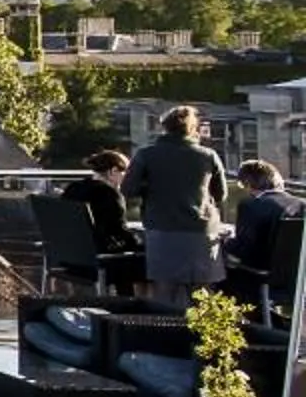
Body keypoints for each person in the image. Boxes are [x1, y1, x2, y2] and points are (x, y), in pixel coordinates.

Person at [121, 108, 229, 304]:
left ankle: (167, 331)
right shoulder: (208, 155)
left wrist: (151, 187)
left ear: (164, 128)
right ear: (193, 128)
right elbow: (221, 194)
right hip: (202, 232)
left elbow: (128, 189)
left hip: (163, 230)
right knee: (203, 293)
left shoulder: (147, 155)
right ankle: (206, 333)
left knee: (165, 291)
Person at [59, 149, 145, 292]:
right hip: (96, 261)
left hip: (69, 260)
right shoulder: (109, 194)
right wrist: (142, 245)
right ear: (113, 171)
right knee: (142, 261)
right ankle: (132, 307)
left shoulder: (73, 188)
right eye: (125, 173)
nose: (127, 179)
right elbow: (119, 231)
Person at [225, 159, 303, 306]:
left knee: (220, 270)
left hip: (262, 277)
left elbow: (243, 249)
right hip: (296, 277)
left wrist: (225, 243)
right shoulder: (301, 204)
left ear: (247, 184)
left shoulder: (251, 205)